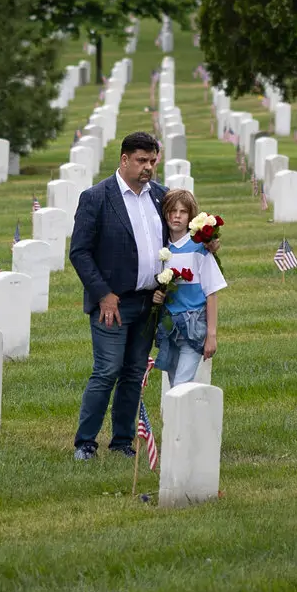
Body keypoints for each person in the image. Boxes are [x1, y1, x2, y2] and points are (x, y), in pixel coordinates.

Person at [68, 130, 166, 459]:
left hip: (148, 303)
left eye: (152, 160)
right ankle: (85, 443)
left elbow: (175, 241)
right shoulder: (97, 197)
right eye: (141, 161)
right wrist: (103, 295)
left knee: (134, 372)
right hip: (113, 303)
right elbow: (80, 252)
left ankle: (123, 441)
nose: (148, 167)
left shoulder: (160, 196)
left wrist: (207, 241)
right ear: (124, 160)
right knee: (107, 369)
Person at [152, 189, 224, 386]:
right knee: (175, 381)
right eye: (172, 211)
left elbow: (211, 293)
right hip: (169, 325)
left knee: (181, 385)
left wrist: (211, 335)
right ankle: (181, 417)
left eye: (183, 212)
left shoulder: (199, 250)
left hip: (194, 325)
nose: (176, 216)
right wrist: (158, 297)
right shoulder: (162, 249)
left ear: (190, 217)